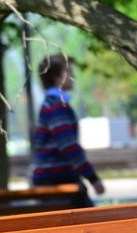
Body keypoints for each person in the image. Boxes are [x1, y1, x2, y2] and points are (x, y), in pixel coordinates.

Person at [32, 53, 104, 208]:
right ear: (57, 77)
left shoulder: (50, 104)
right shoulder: (57, 106)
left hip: (53, 178)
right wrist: (93, 178)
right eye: (69, 72)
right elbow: (69, 146)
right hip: (57, 180)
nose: (73, 76)